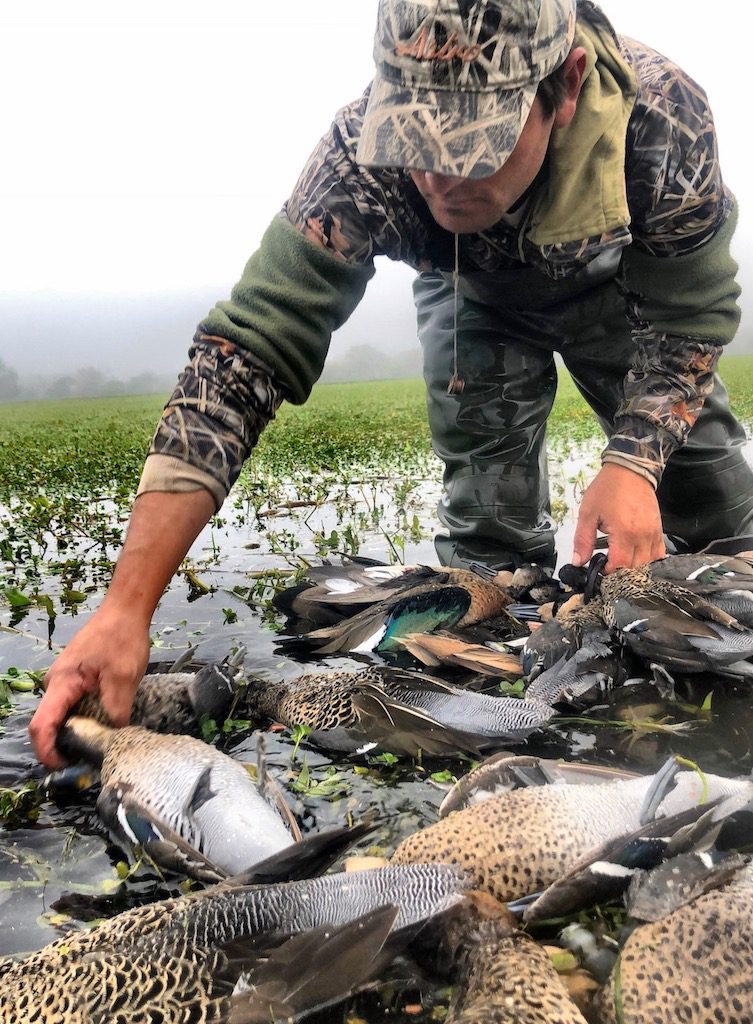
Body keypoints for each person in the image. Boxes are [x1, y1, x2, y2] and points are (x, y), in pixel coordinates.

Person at [30, 0, 753, 767]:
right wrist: (126, 607)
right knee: (487, 534)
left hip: (625, 293)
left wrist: (633, 462)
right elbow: (244, 357)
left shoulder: (658, 117)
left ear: (565, 86)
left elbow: (688, 313)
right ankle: (497, 715)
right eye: (413, 140)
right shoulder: (355, 155)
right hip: (472, 293)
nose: (439, 179)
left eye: (473, 144)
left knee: (712, 500)